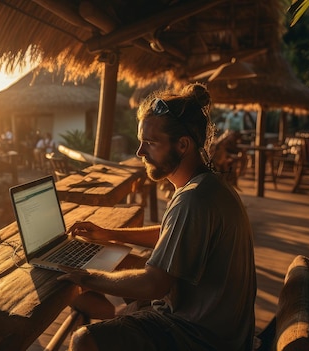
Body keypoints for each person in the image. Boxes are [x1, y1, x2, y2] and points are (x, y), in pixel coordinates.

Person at [58, 83, 257, 351]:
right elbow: (170, 233)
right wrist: (108, 234)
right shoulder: (207, 186)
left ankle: (92, 308)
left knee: (84, 340)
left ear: (183, 145)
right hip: (219, 327)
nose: (140, 152)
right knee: (122, 261)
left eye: (150, 143)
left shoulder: (194, 198)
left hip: (201, 337)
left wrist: (85, 277)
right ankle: (108, 312)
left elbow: (154, 284)